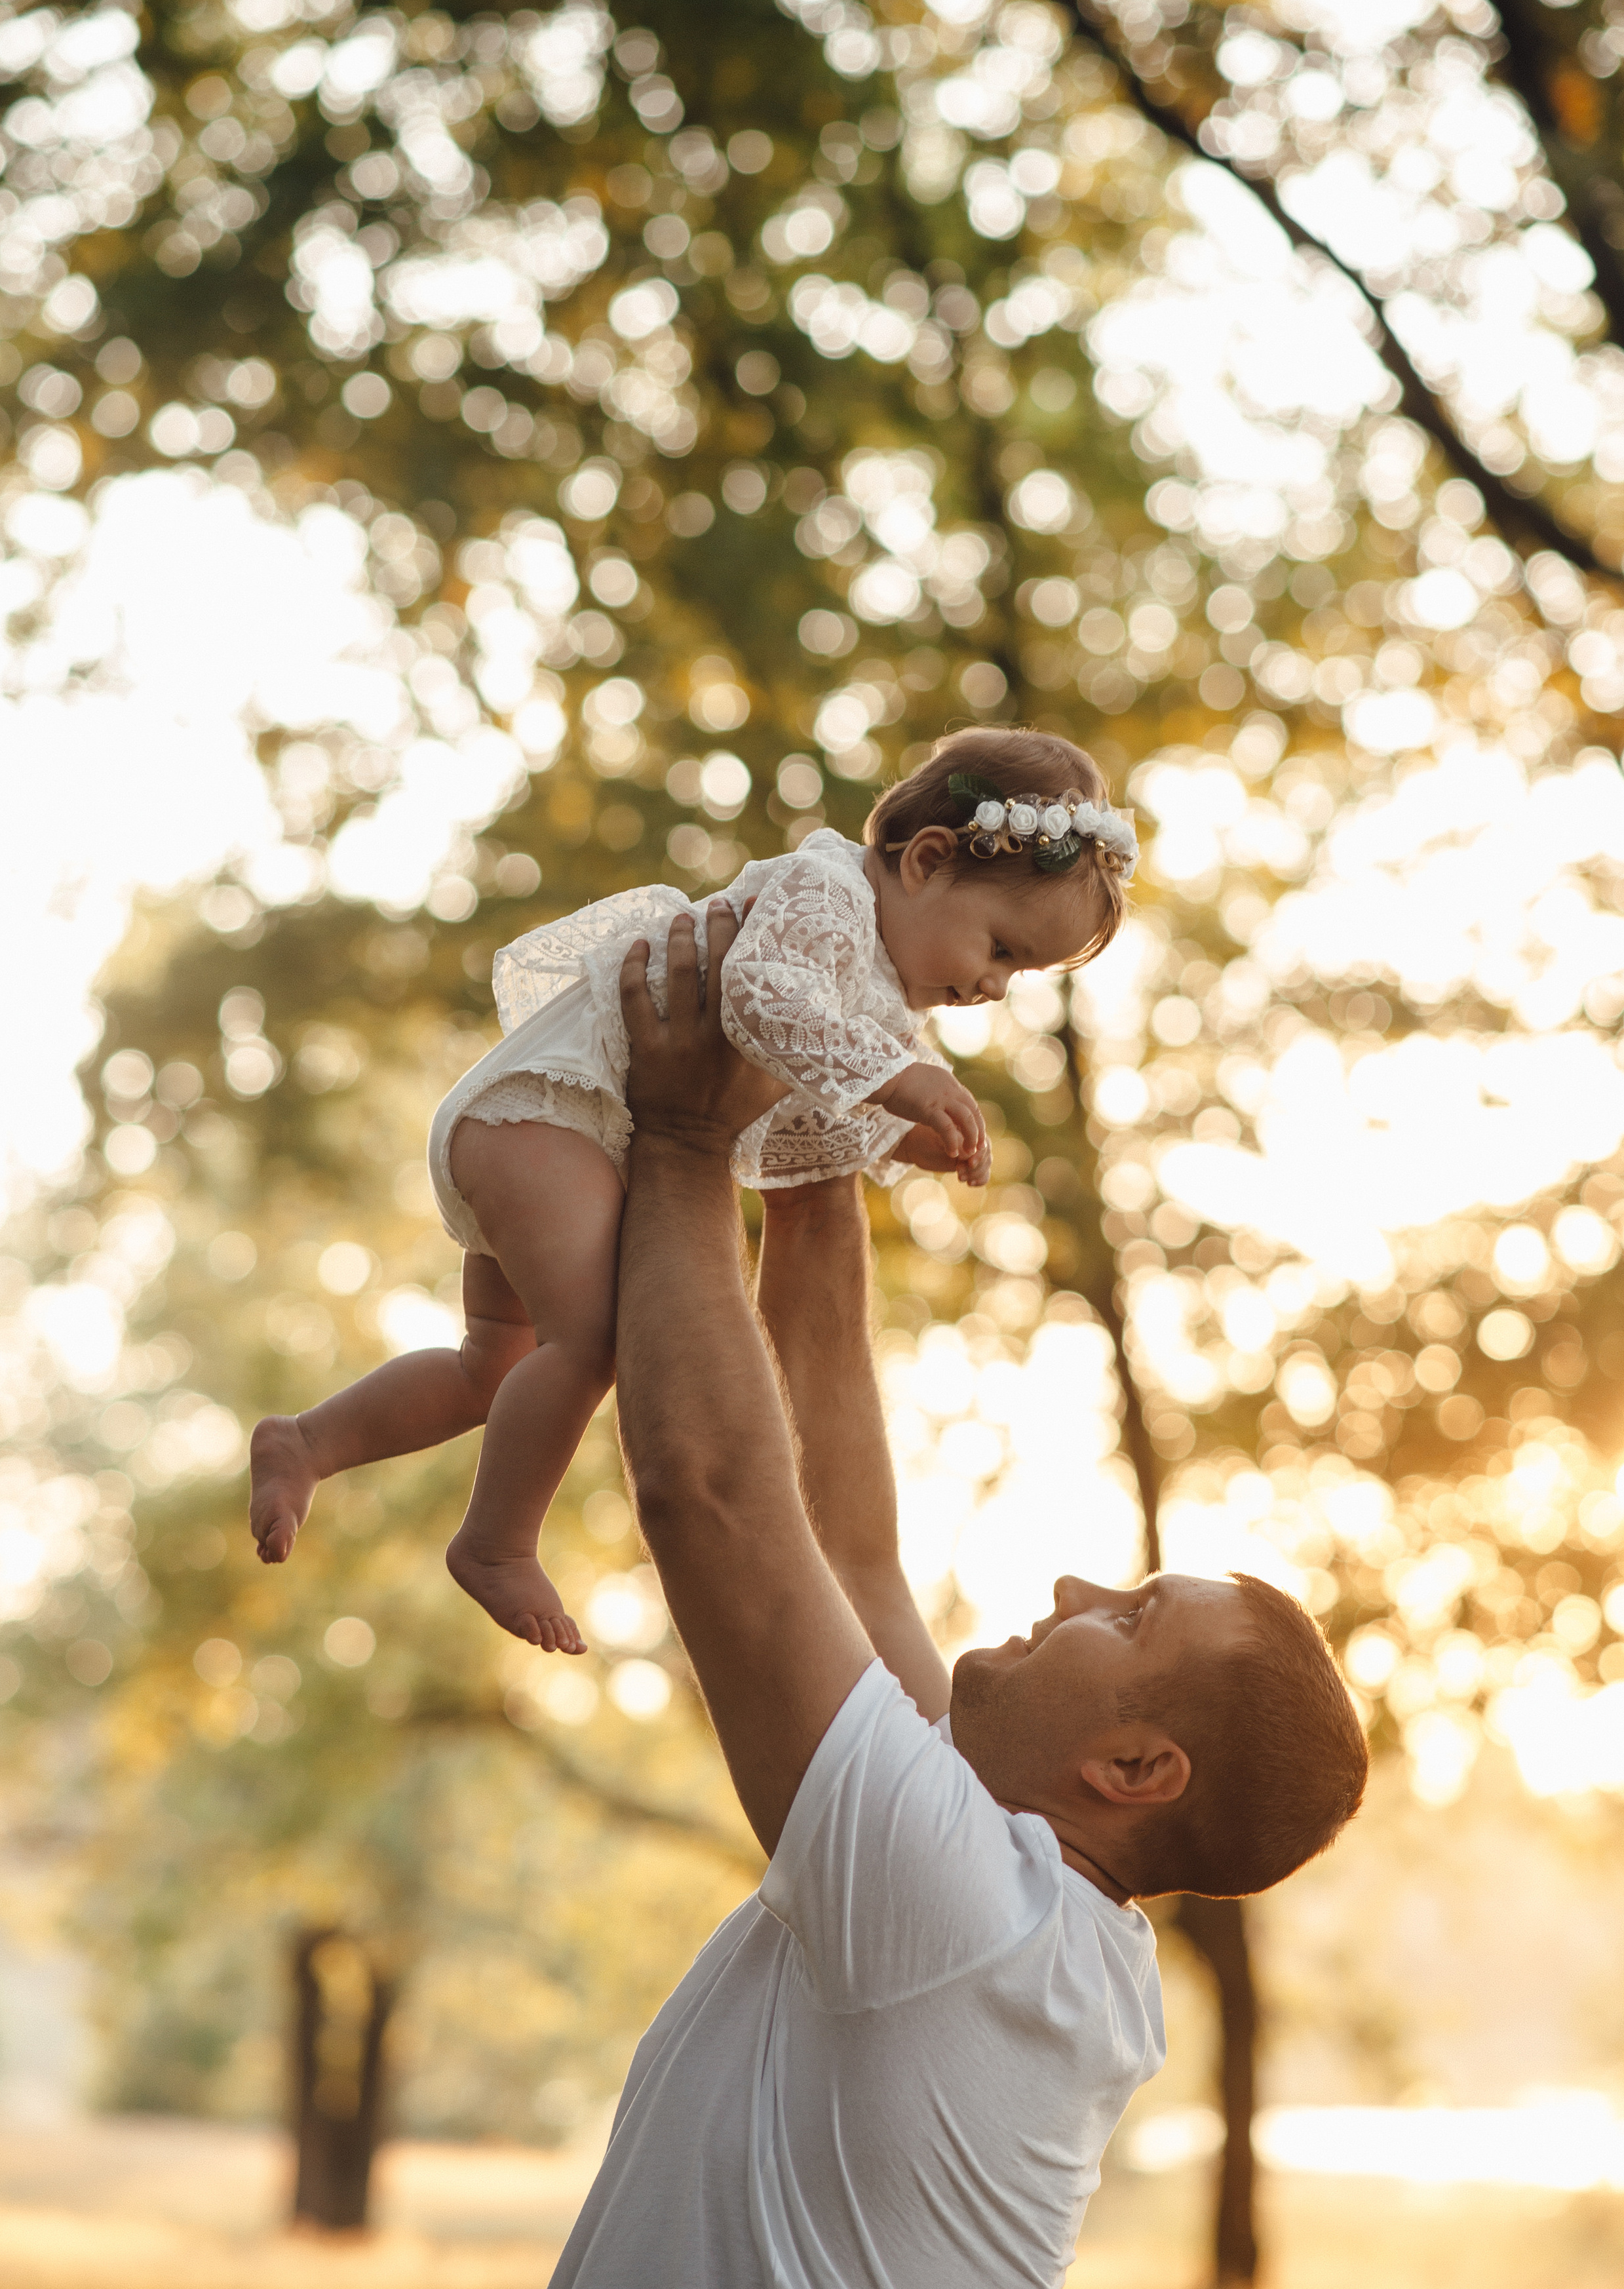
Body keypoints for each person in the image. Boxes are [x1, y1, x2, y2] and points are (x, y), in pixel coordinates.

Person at [546, 901, 1369, 2289]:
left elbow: (711, 1496)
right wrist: (816, 1152)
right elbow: (849, 1549)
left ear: (1132, 1763)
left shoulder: (965, 1915)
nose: (1069, 1583)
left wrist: (687, 1142)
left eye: (1126, 1616)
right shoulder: (1024, 1896)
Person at [247, 726, 1138, 1651]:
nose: (997, 986)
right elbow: (760, 1000)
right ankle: (495, 1542)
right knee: (589, 1341)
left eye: (1020, 972)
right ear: (926, 860)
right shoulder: (826, 896)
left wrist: (910, 1136)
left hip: (554, 1138)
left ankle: (307, 1443)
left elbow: (794, 1103)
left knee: (496, 1366)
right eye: (1001, 949)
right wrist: (900, 1079)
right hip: (552, 1115)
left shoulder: (873, 985)